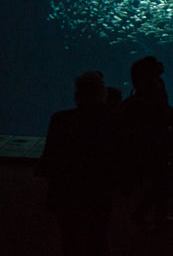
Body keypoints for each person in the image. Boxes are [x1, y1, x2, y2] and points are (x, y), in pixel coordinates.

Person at [38, 71, 121, 256]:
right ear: (103, 94)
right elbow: (118, 157)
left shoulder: (60, 119)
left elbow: (50, 158)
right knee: (98, 237)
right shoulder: (114, 121)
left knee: (70, 238)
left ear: (77, 95)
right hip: (99, 189)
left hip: (67, 189)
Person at [120, 56, 173, 229]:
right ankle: (153, 215)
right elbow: (155, 111)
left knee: (159, 179)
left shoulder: (152, 85)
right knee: (160, 179)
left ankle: (153, 214)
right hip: (153, 140)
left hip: (155, 138)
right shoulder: (151, 89)